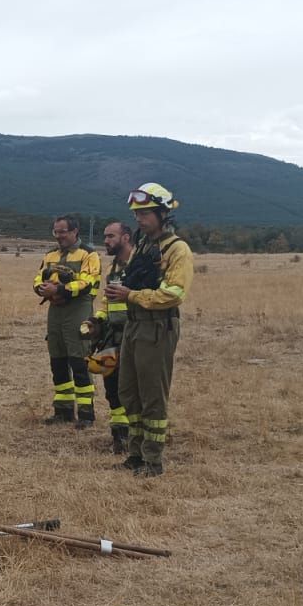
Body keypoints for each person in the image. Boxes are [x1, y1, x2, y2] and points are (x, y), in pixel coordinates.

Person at [107, 183, 194, 477]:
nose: (140, 219)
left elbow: (174, 294)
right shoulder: (144, 245)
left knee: (152, 395)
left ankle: (153, 461)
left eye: (145, 213)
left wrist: (131, 295)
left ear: (162, 213)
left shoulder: (177, 249)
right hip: (134, 325)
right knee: (128, 391)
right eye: (137, 213)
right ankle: (135, 452)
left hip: (157, 326)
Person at [33, 215, 101, 428]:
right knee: (58, 361)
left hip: (78, 310)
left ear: (75, 231)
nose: (59, 236)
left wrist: (61, 290)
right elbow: (38, 278)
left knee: (79, 361)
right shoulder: (50, 255)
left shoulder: (89, 254)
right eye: (56, 232)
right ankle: (63, 411)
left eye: (63, 231)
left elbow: (88, 282)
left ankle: (86, 414)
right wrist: (43, 290)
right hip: (55, 311)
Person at [82, 221, 134, 453]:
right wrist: (97, 320)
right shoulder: (113, 269)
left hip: (134, 335)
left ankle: (139, 437)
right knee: (111, 385)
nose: (106, 241)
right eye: (105, 236)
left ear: (126, 237)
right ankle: (119, 437)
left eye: (111, 236)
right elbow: (107, 304)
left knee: (133, 388)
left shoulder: (140, 266)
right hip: (112, 336)